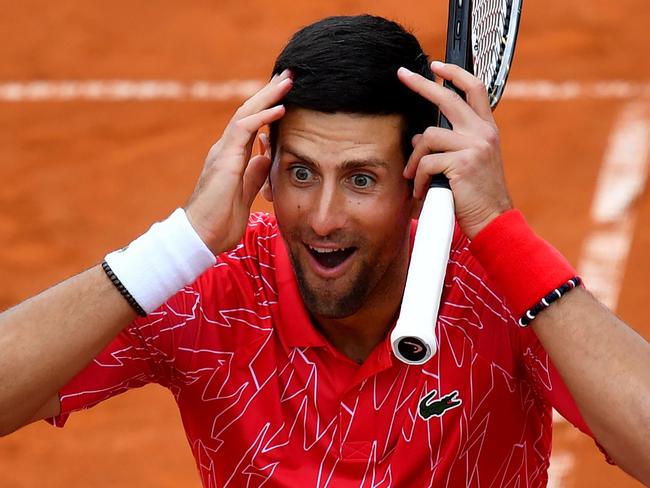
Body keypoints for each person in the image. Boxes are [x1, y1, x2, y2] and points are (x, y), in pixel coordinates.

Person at [0, 14, 648, 487]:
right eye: (301, 173)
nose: (324, 217)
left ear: (418, 180)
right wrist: (180, 244)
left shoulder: (500, 290)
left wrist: (502, 232)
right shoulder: (210, 288)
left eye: (361, 179)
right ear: (266, 168)